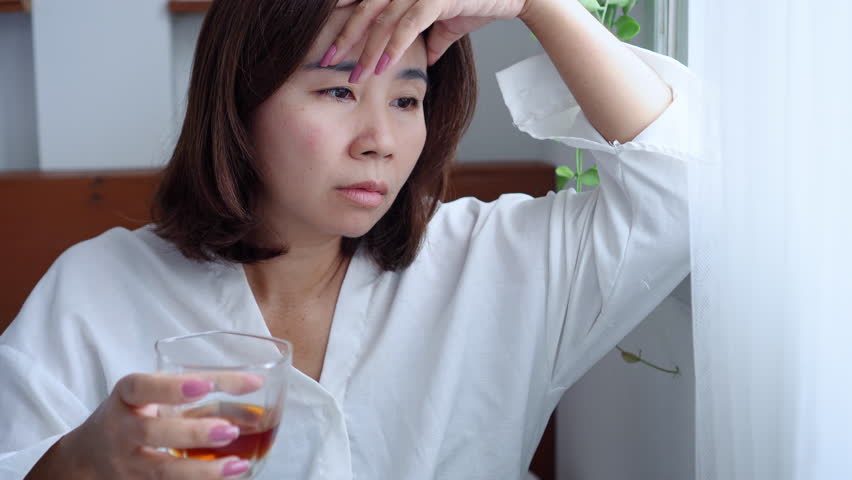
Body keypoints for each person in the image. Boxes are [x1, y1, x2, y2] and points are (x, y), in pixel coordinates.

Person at [0, 0, 700, 478]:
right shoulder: (96, 290)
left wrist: (539, 6)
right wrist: (78, 463)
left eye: (406, 99)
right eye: (338, 92)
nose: (380, 143)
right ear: (241, 102)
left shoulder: (496, 262)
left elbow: (686, 198)